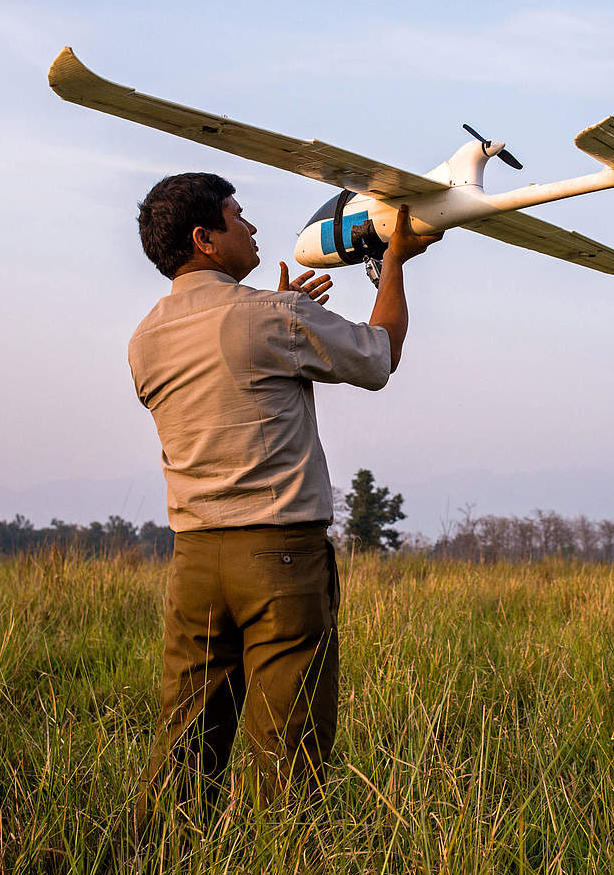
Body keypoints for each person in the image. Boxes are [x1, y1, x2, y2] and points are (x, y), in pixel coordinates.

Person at [128, 172, 440, 827]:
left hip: (194, 564)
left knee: (186, 746)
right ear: (205, 239)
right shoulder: (267, 316)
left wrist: (276, 312)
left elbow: (229, 375)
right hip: (279, 562)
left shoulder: (146, 339)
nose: (252, 228)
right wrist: (394, 268)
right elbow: (378, 357)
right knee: (290, 756)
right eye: (238, 217)